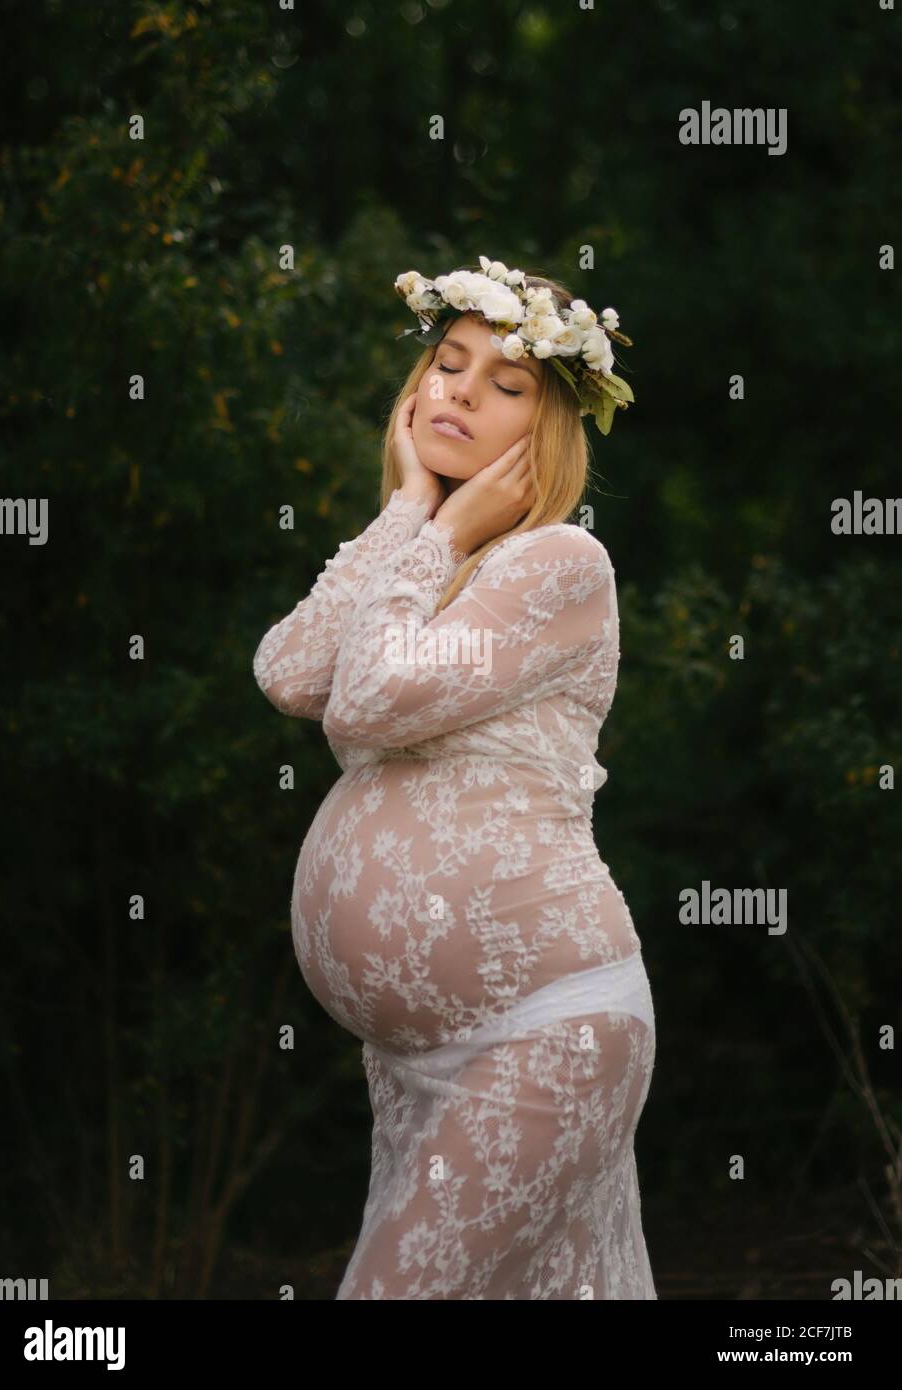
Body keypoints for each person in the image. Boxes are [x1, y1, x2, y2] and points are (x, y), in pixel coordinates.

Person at [253, 256, 657, 1299]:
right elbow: (291, 670)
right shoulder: (431, 560)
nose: (460, 391)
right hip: (419, 1057)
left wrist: (435, 533)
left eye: (506, 383)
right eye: (446, 362)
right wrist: (406, 516)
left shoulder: (560, 566)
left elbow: (368, 701)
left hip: (542, 1030)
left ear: (547, 433)